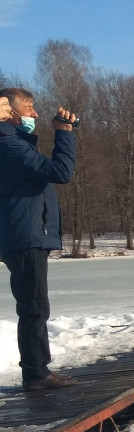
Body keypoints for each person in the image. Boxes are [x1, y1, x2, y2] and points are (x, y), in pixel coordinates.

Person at [0, 87, 79, 391]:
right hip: (24, 236)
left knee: (34, 305)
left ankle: (37, 370)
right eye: (28, 108)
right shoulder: (8, 146)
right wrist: (64, 133)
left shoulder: (16, 144)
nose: (33, 114)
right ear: (10, 112)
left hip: (25, 234)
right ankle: (35, 374)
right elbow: (61, 171)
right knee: (33, 307)